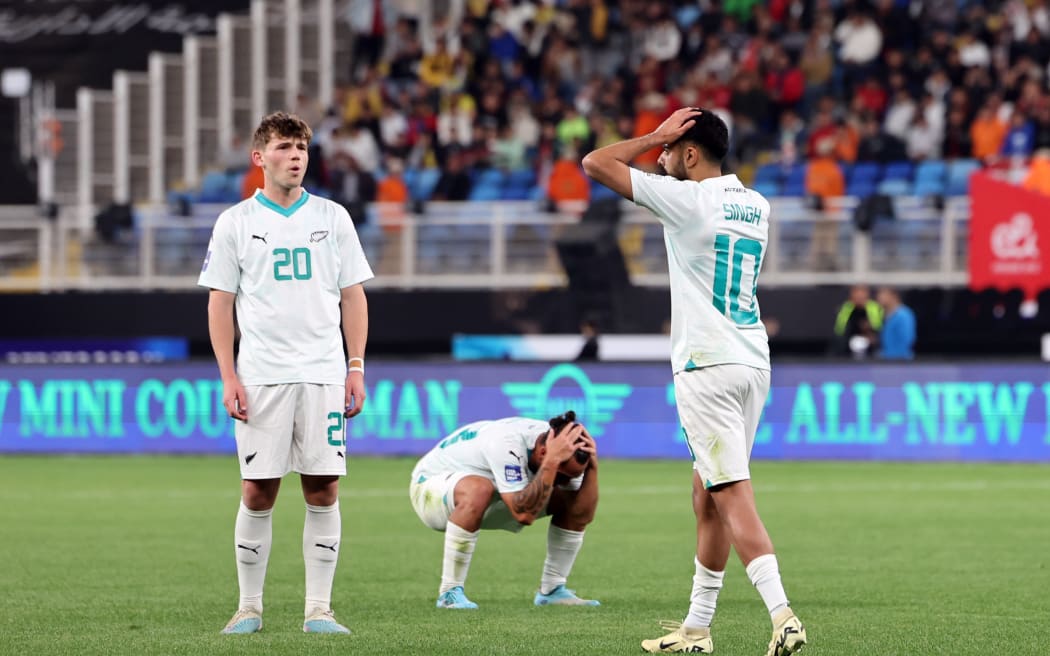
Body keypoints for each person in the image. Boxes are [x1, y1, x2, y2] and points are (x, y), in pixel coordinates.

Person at [582, 107, 807, 656]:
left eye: (668, 152)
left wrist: (652, 135)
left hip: (706, 365)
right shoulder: (757, 205)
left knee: (730, 493)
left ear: (689, 153)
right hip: (752, 362)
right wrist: (665, 144)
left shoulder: (685, 200)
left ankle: (783, 617)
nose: (659, 160)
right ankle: (696, 629)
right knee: (706, 495)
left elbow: (595, 163)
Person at [198, 111, 374, 635]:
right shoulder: (235, 223)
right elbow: (220, 303)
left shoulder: (333, 217)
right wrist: (229, 376)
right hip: (262, 376)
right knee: (258, 490)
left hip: (322, 373)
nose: (295, 155)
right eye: (284, 147)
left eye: (301, 147)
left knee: (323, 489)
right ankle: (248, 607)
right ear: (260, 158)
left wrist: (356, 365)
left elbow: (353, 296)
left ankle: (318, 609)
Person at [409, 411, 600, 609]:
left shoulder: (565, 451)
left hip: (498, 496)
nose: (565, 481)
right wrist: (551, 463)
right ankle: (449, 592)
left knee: (573, 499)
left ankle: (552, 590)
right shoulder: (506, 442)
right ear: (544, 452)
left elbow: (582, 514)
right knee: (479, 489)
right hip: (430, 490)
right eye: (563, 475)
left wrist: (592, 467)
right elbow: (523, 513)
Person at [832, 284, 884, 358]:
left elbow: (879, 329)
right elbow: (839, 331)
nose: (859, 295)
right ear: (851, 293)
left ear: (867, 293)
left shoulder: (874, 308)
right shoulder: (845, 308)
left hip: (871, 351)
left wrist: (871, 334)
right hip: (848, 350)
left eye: (862, 291)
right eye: (856, 291)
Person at [876, 286, 916, 359]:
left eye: (883, 293)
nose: (879, 297)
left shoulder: (904, 315)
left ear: (894, 295)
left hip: (901, 362)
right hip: (886, 362)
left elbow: (907, 341)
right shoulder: (884, 314)